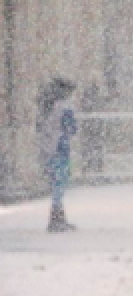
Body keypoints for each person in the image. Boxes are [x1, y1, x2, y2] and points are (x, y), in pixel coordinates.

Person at [36, 77, 77, 233]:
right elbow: (72, 129)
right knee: (60, 183)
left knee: (55, 183)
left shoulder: (47, 106)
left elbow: (40, 127)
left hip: (49, 148)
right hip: (61, 147)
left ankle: (57, 217)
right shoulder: (65, 107)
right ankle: (57, 218)